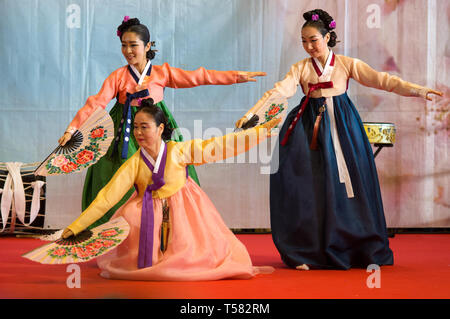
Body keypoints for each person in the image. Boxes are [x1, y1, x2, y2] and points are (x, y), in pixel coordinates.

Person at [236, 9, 443, 270]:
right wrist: (253, 115)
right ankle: (308, 250)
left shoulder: (346, 64)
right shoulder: (300, 68)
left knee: (350, 185)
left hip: (343, 128)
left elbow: (382, 80)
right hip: (308, 129)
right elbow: (280, 92)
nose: (308, 46)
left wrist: (418, 90)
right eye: (303, 41)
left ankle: (354, 246)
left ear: (328, 37)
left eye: (313, 39)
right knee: (307, 188)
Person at [58, 16, 266, 229]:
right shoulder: (118, 76)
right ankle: (120, 232)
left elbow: (199, 76)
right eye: (124, 45)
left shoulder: (161, 73)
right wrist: (73, 129)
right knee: (120, 179)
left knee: (168, 175)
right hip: (125, 131)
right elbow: (96, 103)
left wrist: (234, 76)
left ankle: (165, 231)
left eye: (133, 45)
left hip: (158, 130)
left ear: (147, 46)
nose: (128, 51)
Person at [61, 98, 279, 281]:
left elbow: (218, 146)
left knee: (195, 252)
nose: (137, 132)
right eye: (135, 127)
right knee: (128, 215)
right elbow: (107, 196)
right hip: (147, 212)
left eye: (144, 127)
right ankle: (152, 257)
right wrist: (76, 227)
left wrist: (256, 134)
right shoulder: (135, 163)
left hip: (184, 209)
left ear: (161, 128)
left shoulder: (178, 151)